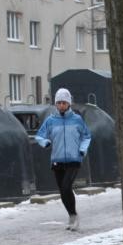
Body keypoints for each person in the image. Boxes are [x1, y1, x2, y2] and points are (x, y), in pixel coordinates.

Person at [34, 88, 91, 231]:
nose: (61, 105)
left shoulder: (77, 120)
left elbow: (86, 136)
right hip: (57, 159)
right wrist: (45, 142)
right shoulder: (51, 121)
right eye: (58, 103)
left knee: (66, 186)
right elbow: (39, 136)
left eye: (64, 103)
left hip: (74, 159)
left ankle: (74, 215)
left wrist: (82, 150)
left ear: (69, 103)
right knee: (63, 191)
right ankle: (71, 216)